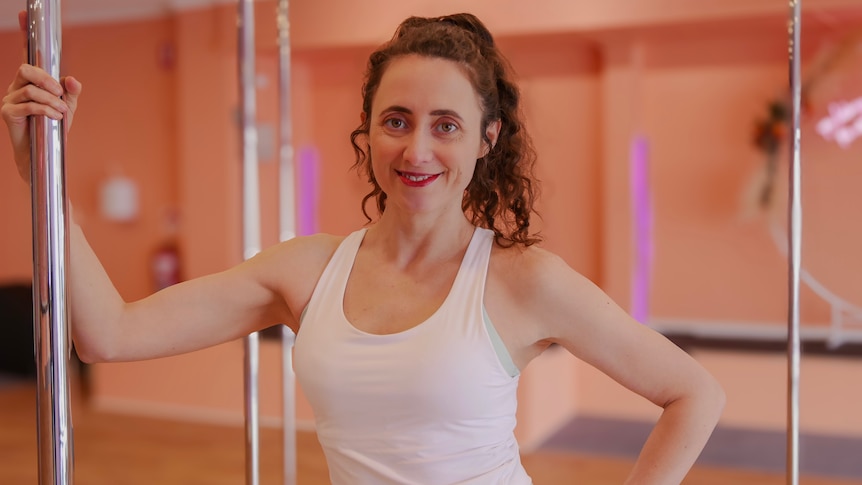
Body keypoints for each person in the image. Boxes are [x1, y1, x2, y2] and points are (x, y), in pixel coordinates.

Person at [3, 11, 725, 485]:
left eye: (446, 124)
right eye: (397, 119)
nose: (417, 147)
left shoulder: (521, 279)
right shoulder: (307, 270)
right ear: (368, 128)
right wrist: (46, 180)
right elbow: (108, 332)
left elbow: (693, 392)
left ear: (487, 138)